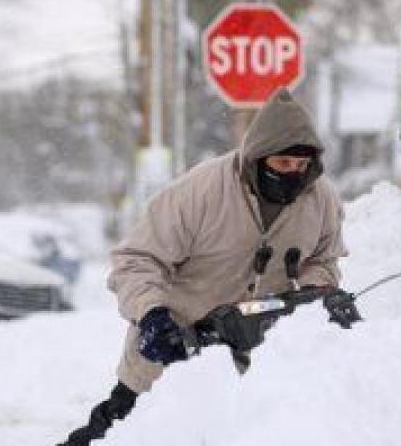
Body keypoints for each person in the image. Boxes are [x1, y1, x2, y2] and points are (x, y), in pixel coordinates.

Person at [58, 88, 356, 445]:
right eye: (282, 164)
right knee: (116, 436)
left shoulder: (321, 199)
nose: (293, 174)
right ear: (257, 158)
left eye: (301, 166)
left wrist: (314, 297)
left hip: (260, 374)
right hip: (172, 355)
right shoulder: (200, 192)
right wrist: (152, 314)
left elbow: (323, 261)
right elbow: (136, 259)